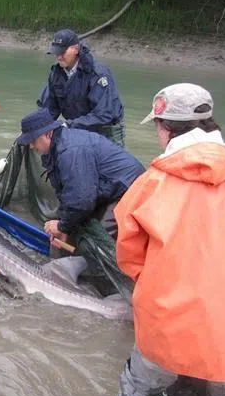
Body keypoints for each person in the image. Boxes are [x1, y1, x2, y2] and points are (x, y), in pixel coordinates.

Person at [103, 83, 225, 396]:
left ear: (164, 128)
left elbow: (129, 258)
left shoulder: (151, 183)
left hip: (169, 329)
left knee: (136, 389)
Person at [16, 107, 144, 297]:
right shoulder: (57, 147)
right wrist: (65, 227)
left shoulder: (71, 151)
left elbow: (82, 200)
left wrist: (62, 226)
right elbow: (69, 194)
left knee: (96, 243)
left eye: (33, 140)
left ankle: (118, 294)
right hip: (105, 190)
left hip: (131, 191)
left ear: (48, 134)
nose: (31, 146)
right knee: (74, 232)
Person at [39, 28, 125, 146]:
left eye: (62, 52)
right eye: (56, 53)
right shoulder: (56, 74)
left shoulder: (98, 74)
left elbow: (104, 114)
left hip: (106, 131)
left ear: (76, 49)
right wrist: (36, 126)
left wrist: (68, 125)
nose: (59, 57)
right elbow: (49, 108)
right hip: (76, 129)